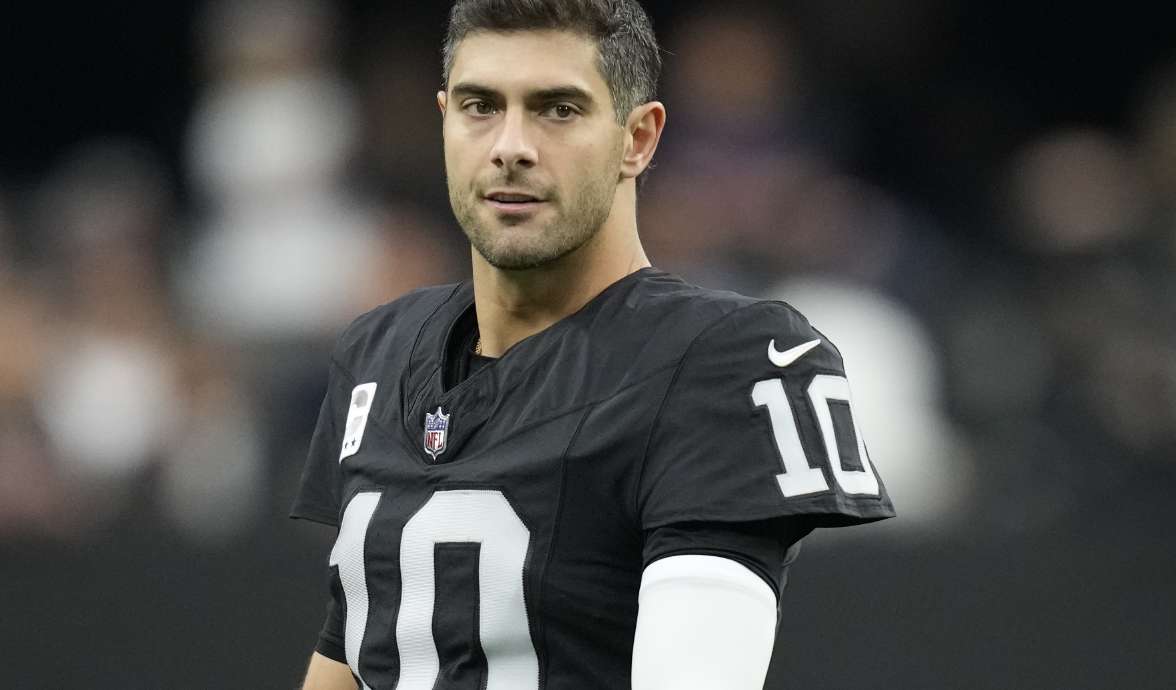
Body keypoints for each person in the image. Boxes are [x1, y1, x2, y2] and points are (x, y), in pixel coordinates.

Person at [291, 1, 894, 688]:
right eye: (480, 105)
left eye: (558, 109)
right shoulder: (380, 352)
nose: (510, 145)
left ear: (638, 138)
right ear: (444, 121)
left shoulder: (717, 360)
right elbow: (354, 651)